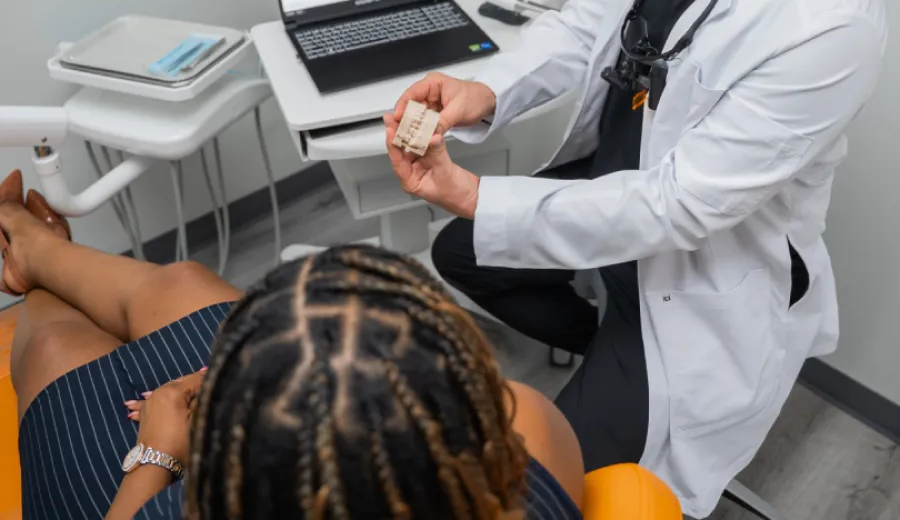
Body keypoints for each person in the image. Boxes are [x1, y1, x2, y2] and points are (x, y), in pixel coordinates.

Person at [384, 0, 887, 518]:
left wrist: (477, 191)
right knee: (463, 253)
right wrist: (489, 91)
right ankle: (601, 332)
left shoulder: (830, 17)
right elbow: (594, 18)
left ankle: (625, 358)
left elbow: (678, 204)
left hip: (695, 278)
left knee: (538, 491)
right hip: (613, 205)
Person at [0, 170, 584, 519]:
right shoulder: (528, 434)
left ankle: (31, 272)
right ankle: (38, 249)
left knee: (54, 343)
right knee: (182, 284)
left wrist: (157, 456)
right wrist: (279, 378)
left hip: (163, 486)